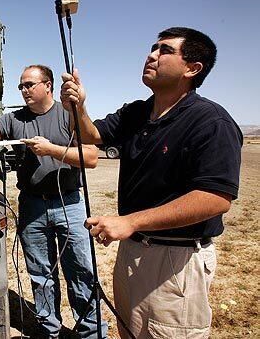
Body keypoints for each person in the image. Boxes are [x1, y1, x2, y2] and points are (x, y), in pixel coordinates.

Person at [60, 27, 243, 338]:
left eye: (165, 50)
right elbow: (89, 135)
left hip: (176, 261)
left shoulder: (211, 122)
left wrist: (131, 221)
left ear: (192, 68)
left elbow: (215, 198)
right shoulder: (139, 111)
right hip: (133, 250)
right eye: (153, 47)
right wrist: (77, 107)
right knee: (130, 331)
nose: (152, 54)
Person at [0, 64, 106, 338]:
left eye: (29, 85)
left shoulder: (69, 115)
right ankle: (50, 331)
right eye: (21, 86)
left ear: (48, 85)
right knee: (41, 275)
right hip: (33, 206)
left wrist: (51, 150)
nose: (24, 90)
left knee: (81, 272)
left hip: (70, 205)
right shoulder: (14, 120)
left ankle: (91, 333)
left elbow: (92, 158)